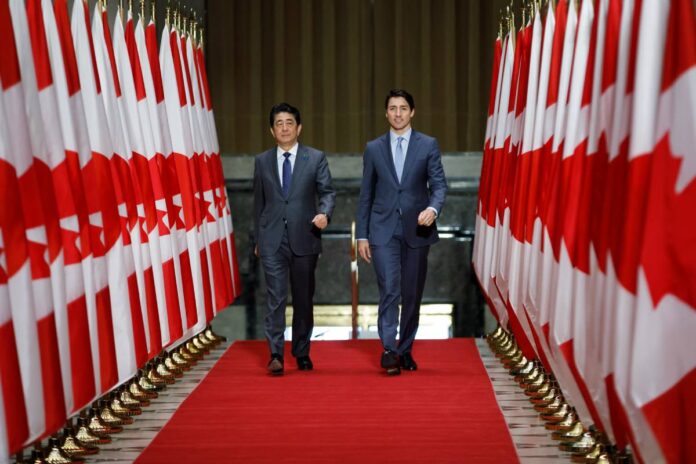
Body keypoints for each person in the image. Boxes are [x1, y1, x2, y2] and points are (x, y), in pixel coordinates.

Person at [356, 89, 447, 375]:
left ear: (412, 112)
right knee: (389, 289)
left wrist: (432, 209)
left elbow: (440, 186)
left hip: (417, 230)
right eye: (393, 108)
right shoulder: (373, 148)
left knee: (412, 292)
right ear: (386, 113)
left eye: (403, 108)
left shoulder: (428, 145)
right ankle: (388, 349)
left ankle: (405, 348)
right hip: (382, 231)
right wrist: (362, 235)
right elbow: (365, 194)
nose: (398, 113)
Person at [253, 103, 336, 375]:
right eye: (279, 123)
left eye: (290, 122)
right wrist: (258, 238)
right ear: (271, 130)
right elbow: (259, 203)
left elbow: (327, 192)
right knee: (275, 297)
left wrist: (324, 213)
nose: (285, 128)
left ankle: (301, 352)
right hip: (271, 240)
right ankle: (275, 354)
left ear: (299, 128)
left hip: (305, 237)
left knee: (303, 298)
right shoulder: (262, 161)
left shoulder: (315, 158)